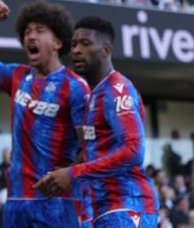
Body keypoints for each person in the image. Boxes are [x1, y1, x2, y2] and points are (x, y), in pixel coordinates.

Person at [0, 0, 90, 227]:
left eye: (40, 31)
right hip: (16, 200)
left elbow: (91, 147)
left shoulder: (75, 87)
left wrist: (69, 174)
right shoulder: (16, 76)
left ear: (58, 42)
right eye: (28, 31)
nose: (31, 36)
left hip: (58, 202)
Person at [37, 16, 159, 227]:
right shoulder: (96, 94)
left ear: (106, 50)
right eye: (74, 44)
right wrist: (62, 175)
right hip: (106, 208)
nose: (76, 50)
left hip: (128, 205)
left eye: (85, 43)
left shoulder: (117, 89)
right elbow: (98, 150)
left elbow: (134, 150)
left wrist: (73, 173)